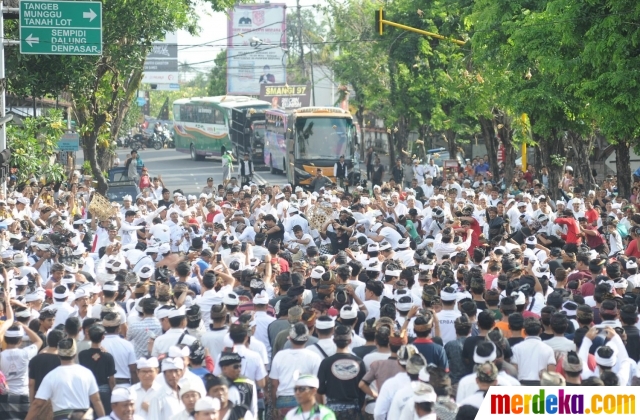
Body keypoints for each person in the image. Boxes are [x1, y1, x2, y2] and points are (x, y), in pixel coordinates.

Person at [25, 338, 106, 420]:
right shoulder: (86, 373)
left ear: (58, 355)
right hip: (83, 417)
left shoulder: (51, 376)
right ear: (75, 354)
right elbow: (96, 400)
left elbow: (37, 404)